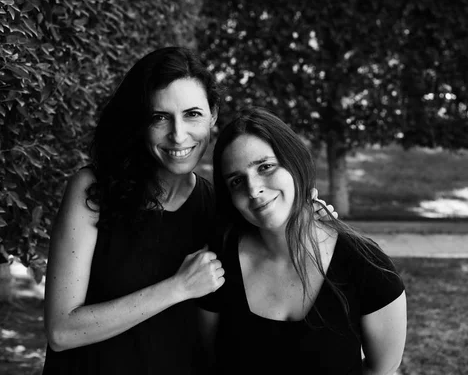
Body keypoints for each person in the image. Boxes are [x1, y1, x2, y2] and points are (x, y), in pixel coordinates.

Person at [42, 47, 335, 374]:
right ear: (140, 122)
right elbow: (61, 331)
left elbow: (277, 266)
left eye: (192, 114)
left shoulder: (220, 205)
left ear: (213, 115)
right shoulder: (93, 190)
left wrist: (306, 218)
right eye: (159, 117)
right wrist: (177, 288)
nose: (178, 135)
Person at [200, 107, 407, 375]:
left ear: (295, 163)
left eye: (265, 167)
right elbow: (209, 361)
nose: (254, 189)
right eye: (237, 181)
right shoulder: (218, 265)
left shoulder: (368, 266)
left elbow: (383, 370)